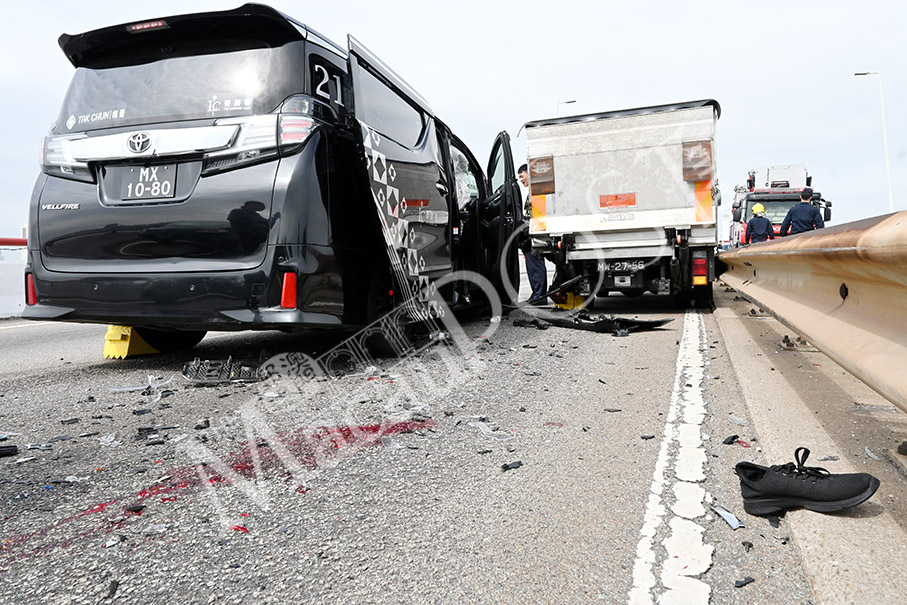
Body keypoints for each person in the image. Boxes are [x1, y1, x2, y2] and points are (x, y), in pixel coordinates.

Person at [518, 164, 547, 304]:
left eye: (522, 176)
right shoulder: (532, 191)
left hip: (537, 233)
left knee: (535, 264)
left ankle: (539, 296)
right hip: (533, 232)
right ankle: (537, 294)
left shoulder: (536, 191)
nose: (521, 180)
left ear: (528, 174)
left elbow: (538, 214)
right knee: (533, 264)